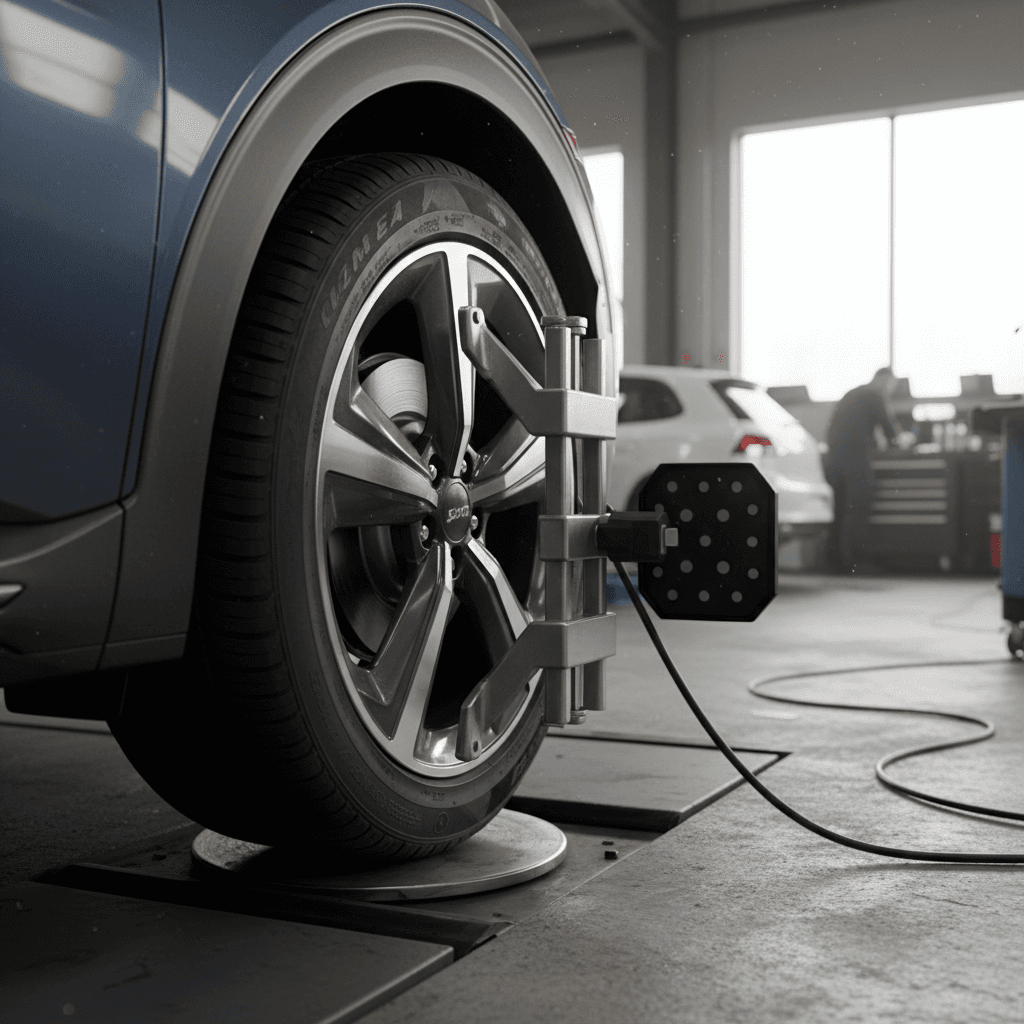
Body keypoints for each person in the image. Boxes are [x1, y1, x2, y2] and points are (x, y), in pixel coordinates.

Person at [822, 367, 900, 570]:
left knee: (839, 507)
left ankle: (834, 561)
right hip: (854, 456)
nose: (891, 389)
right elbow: (889, 430)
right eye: (892, 384)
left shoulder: (854, 393)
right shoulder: (874, 395)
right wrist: (898, 441)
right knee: (858, 504)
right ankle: (853, 561)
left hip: (833, 455)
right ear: (884, 380)